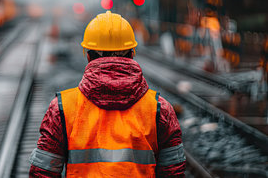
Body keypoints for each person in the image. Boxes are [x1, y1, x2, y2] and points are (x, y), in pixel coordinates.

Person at [29, 11, 186, 177]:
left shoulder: (62, 108)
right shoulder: (160, 109)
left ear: (88, 56)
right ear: (132, 54)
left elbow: (42, 173)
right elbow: (174, 173)